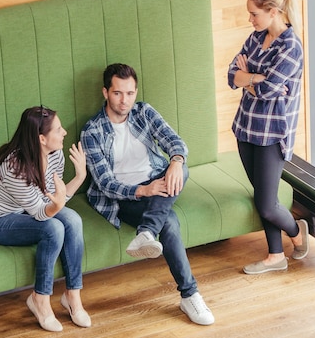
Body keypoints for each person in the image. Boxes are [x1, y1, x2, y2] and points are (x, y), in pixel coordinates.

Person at [80, 63, 215, 326]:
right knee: (169, 221)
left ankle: (146, 232)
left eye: (130, 93)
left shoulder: (144, 112)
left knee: (182, 168)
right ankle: (190, 295)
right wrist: (144, 190)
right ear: (105, 92)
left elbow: (176, 142)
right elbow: (106, 184)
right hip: (125, 197)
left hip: (157, 182)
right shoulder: (92, 131)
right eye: (118, 93)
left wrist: (175, 161)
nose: (125, 100)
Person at [0, 106, 90, 332]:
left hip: (23, 209)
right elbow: (43, 213)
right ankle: (39, 299)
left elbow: (54, 198)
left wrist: (80, 176)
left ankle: (73, 296)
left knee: (73, 221)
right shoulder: (14, 167)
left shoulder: (54, 154)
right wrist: (59, 202)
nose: (64, 132)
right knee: (53, 229)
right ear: (41, 138)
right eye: (58, 129)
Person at [227, 0, 309, 275]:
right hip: (246, 127)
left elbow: (270, 88)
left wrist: (247, 77)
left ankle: (297, 234)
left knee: (267, 204)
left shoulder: (291, 47)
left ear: (273, 11)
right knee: (264, 196)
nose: (250, 20)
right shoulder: (256, 37)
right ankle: (276, 256)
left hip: (272, 135)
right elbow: (231, 75)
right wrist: (254, 78)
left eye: (254, 14)